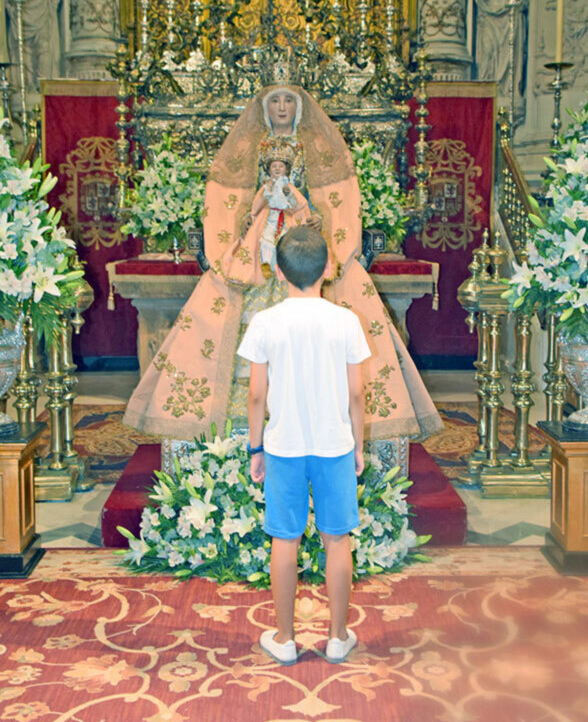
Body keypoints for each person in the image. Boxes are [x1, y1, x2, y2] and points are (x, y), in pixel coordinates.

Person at [123, 85, 442, 458]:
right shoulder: (252, 146)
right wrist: (251, 218)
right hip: (261, 245)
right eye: (274, 100)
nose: (281, 107)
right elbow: (238, 197)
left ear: (300, 107)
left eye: (288, 100)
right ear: (263, 108)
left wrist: (306, 214)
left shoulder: (314, 147)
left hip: (303, 241)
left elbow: (330, 196)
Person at [238, 225, 370, 665]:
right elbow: (356, 394)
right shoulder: (345, 320)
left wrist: (255, 448)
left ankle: (285, 638)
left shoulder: (265, 322)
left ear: (278, 270)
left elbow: (257, 394)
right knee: (337, 539)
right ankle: (337, 637)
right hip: (334, 444)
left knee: (285, 538)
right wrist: (359, 445)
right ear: (327, 267)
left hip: (284, 446)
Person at [223, 140, 311, 282]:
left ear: (286, 169)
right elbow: (257, 204)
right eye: (274, 166)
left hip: (286, 218)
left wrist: (289, 194)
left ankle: (281, 266)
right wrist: (252, 216)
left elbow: (299, 204)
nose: (277, 169)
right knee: (265, 240)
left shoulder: (289, 187)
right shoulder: (266, 187)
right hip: (268, 218)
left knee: (285, 241)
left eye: (280, 166)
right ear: (269, 170)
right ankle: (266, 264)